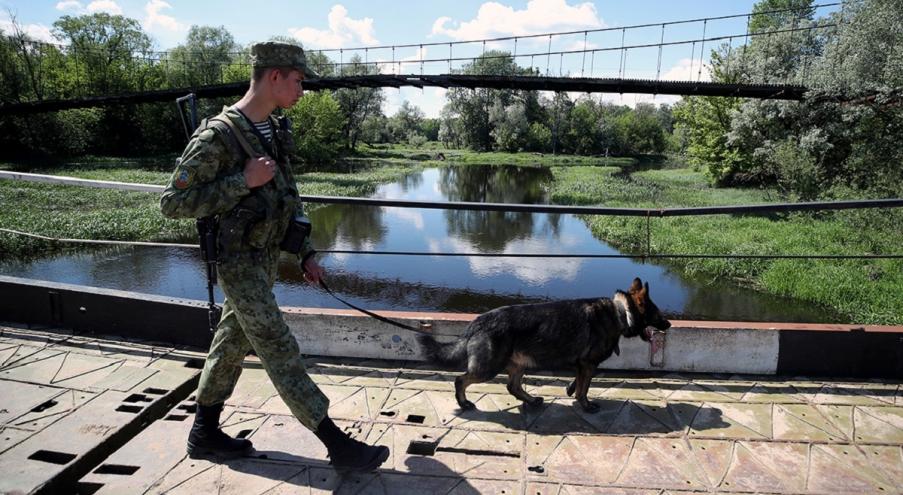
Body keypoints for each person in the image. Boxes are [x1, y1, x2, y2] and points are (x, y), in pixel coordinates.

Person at [160, 41, 389, 472]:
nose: (304, 90)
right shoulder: (217, 135)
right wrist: (241, 181)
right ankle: (337, 444)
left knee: (230, 343)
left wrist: (304, 252)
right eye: (299, 80)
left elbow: (288, 194)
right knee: (277, 344)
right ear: (275, 77)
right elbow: (173, 202)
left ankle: (204, 432)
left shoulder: (273, 127)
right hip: (237, 262)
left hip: (265, 259)